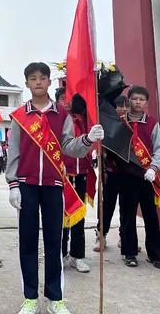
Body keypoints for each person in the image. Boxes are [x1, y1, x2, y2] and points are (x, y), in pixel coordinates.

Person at [6, 62, 104, 314]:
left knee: (54, 242)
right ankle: (29, 298)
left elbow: (69, 147)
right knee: (27, 242)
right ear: (26, 83)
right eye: (33, 78)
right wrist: (12, 184)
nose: (38, 82)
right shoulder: (19, 116)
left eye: (42, 78)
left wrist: (88, 139)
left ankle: (55, 298)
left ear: (50, 82)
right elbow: (14, 152)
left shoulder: (62, 115)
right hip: (26, 185)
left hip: (54, 185)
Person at [118, 86, 160, 269]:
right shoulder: (121, 123)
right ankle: (129, 253)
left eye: (142, 99)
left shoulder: (152, 123)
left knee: (151, 216)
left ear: (146, 102)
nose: (138, 102)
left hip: (147, 176)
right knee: (128, 216)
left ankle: (156, 255)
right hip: (126, 177)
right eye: (135, 98)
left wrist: (153, 168)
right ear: (128, 100)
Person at [60, 93, 94, 274]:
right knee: (61, 217)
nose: (66, 104)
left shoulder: (84, 120)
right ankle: (60, 254)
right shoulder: (55, 120)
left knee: (79, 217)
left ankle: (77, 256)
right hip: (61, 175)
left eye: (70, 100)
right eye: (62, 100)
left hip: (80, 174)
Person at [93, 94, 129, 252]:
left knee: (126, 206)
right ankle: (101, 236)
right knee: (107, 205)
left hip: (128, 173)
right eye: (118, 106)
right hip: (110, 172)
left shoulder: (131, 124)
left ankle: (125, 237)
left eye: (124, 106)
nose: (121, 109)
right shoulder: (106, 125)